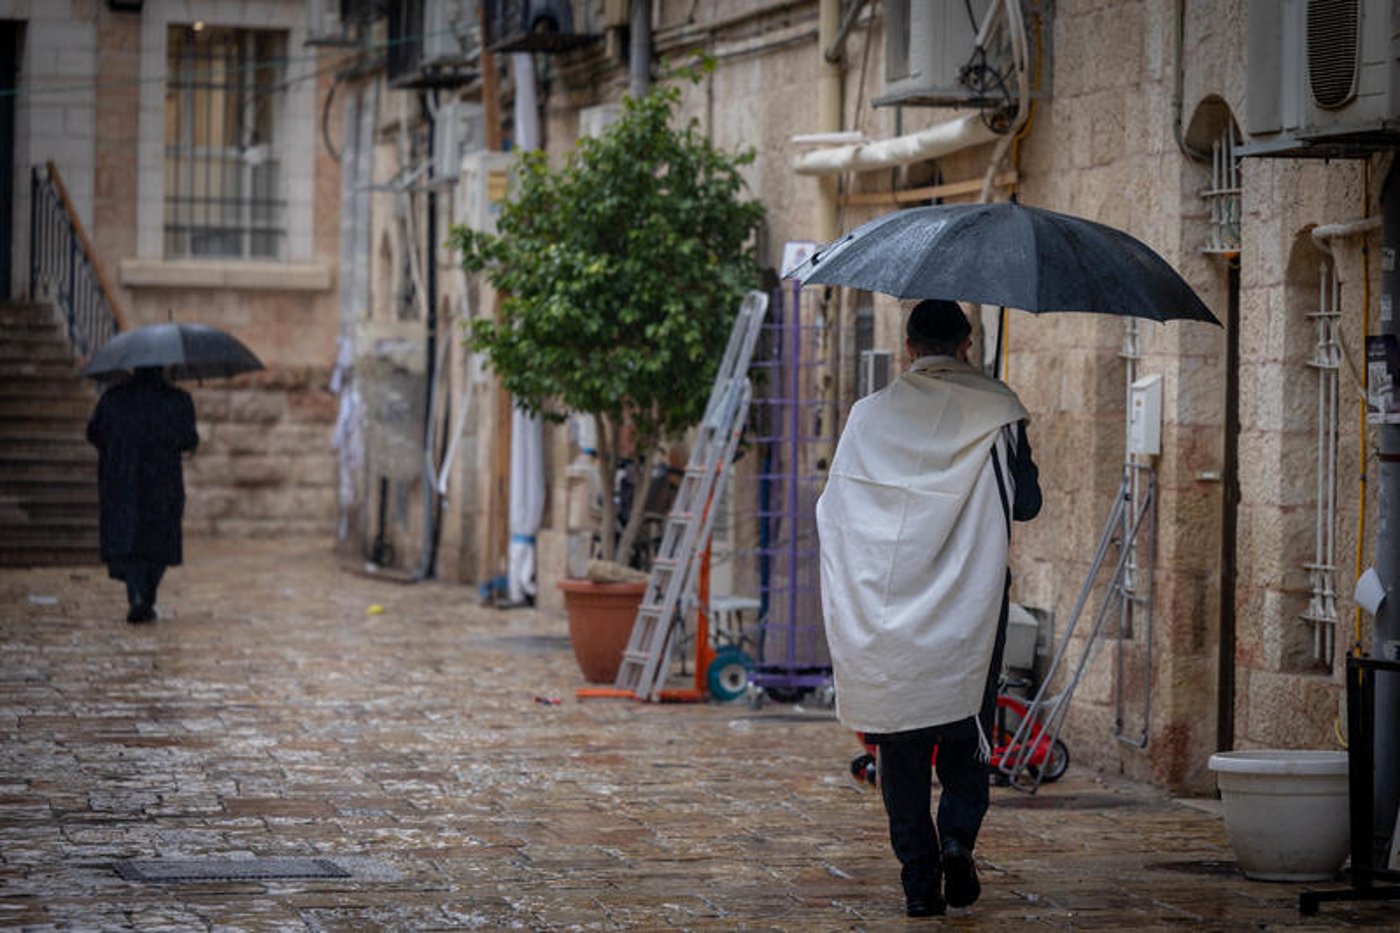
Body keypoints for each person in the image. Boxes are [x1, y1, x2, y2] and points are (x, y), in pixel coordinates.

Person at [816, 299, 1041, 917]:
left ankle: (919, 880)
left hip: (886, 607)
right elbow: (1024, 506)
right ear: (966, 345)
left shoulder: (867, 416)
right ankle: (957, 838)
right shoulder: (999, 411)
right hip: (972, 602)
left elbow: (839, 508)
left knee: (901, 743)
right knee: (967, 726)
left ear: (909, 348)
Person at [86, 366, 199, 623]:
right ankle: (143, 597)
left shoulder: (114, 399)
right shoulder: (178, 399)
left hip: (122, 479)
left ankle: (139, 596)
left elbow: (94, 433)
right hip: (163, 481)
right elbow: (189, 439)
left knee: (130, 539)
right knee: (159, 540)